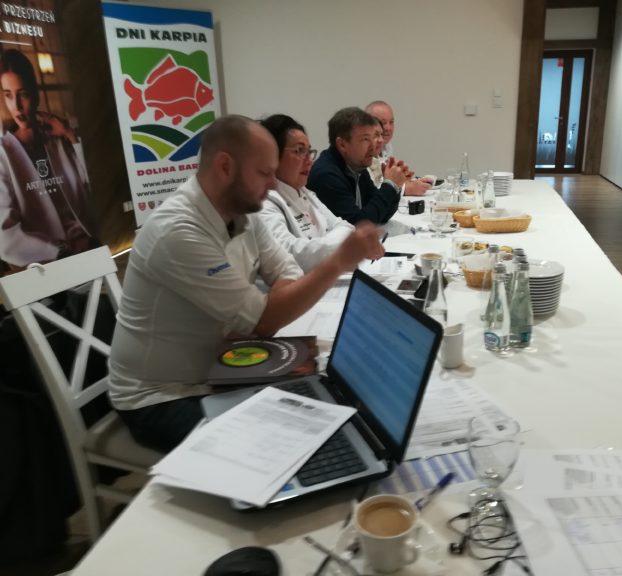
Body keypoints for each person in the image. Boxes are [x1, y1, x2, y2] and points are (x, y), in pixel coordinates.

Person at [108, 115, 384, 452]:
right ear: (225, 166)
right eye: (264, 173)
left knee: (330, 405)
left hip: (224, 368)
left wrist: (267, 312)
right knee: (282, 445)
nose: (273, 185)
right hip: (161, 397)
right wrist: (338, 261)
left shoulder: (243, 211)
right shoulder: (178, 230)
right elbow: (264, 321)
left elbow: (286, 272)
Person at [0, 49, 98, 272]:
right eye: (8, 95)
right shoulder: (3, 154)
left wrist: (70, 136)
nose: (16, 106)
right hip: (48, 266)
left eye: (23, 94)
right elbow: (4, 236)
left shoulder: (57, 138)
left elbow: (92, 183)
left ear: (35, 94)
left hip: (93, 246)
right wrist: (58, 251)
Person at [256, 114, 354, 272]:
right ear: (273, 156)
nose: (309, 160)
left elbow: (345, 226)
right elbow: (289, 254)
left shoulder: (305, 192)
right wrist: (343, 244)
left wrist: (324, 246)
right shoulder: (264, 201)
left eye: (309, 151)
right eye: (299, 151)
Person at [307, 106, 408, 225]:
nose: (373, 146)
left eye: (373, 138)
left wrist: (395, 185)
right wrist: (390, 185)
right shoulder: (327, 176)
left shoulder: (356, 165)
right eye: (365, 139)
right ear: (342, 145)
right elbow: (359, 225)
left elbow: (381, 215)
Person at [365, 100, 431, 197]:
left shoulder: (387, 147)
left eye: (391, 122)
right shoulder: (361, 153)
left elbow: (384, 180)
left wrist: (403, 179)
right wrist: (404, 189)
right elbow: (369, 190)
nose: (388, 128)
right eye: (383, 123)